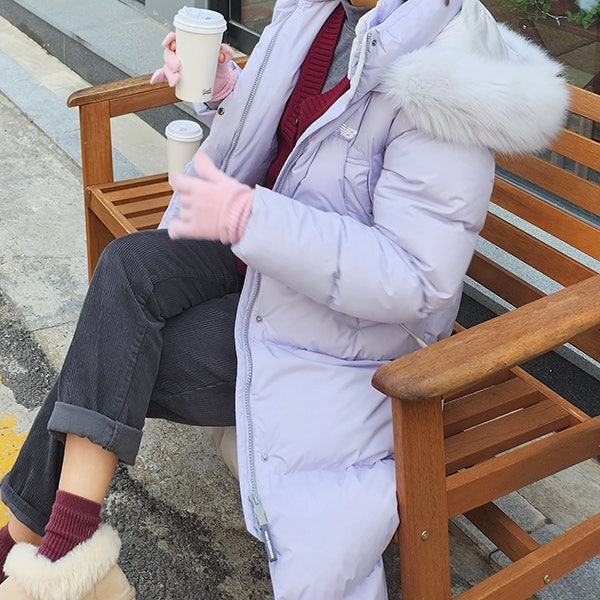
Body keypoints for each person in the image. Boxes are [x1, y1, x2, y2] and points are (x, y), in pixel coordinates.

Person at [0, 0, 569, 597]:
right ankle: (61, 545)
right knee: (126, 271)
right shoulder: (321, 12)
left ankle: (42, 540)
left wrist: (249, 216)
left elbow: (416, 277)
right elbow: (300, 145)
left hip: (348, 333)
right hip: (265, 260)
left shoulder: (449, 75)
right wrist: (224, 90)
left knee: (115, 352)